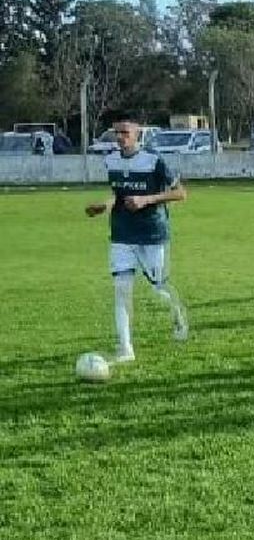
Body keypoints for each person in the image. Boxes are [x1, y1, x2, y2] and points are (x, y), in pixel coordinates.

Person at [84, 116, 190, 363]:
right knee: (122, 289)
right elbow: (118, 195)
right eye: (117, 133)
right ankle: (125, 348)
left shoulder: (154, 160)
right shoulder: (111, 161)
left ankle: (178, 314)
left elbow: (181, 193)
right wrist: (105, 206)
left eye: (125, 133)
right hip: (122, 233)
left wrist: (145, 200)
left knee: (158, 286)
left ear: (137, 135)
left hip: (152, 232)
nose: (120, 137)